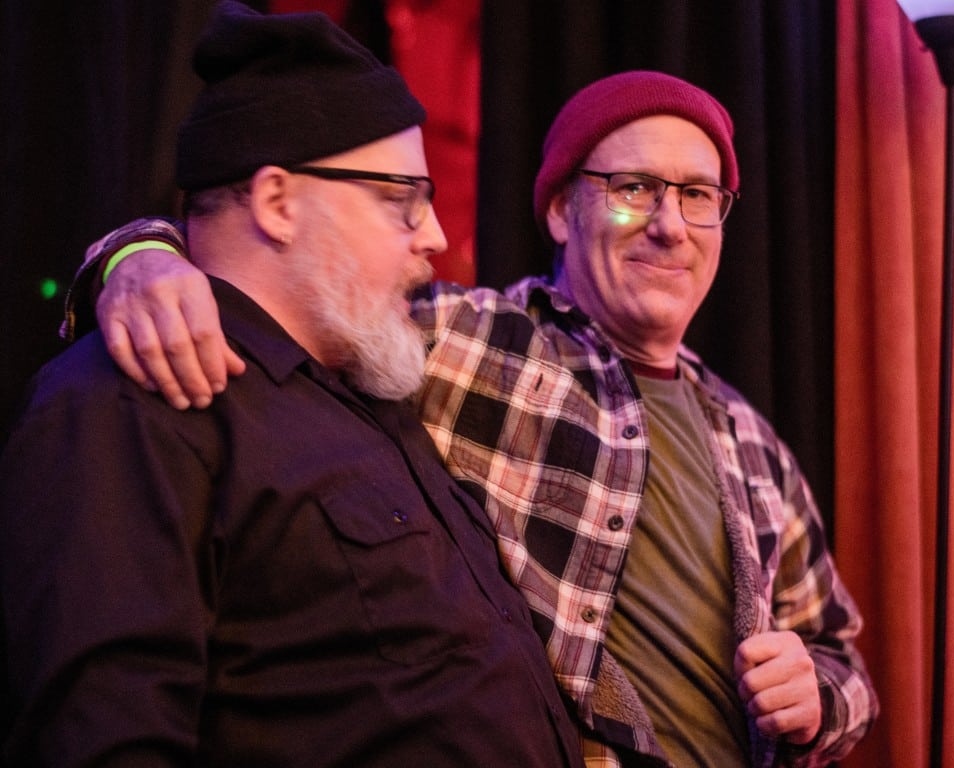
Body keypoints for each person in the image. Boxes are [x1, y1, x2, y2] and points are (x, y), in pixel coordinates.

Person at [64, 67, 879, 767]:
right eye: (634, 189)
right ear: (560, 211)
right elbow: (274, 276)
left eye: (697, 195)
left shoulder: (748, 437)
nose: (669, 224)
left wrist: (817, 693)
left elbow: (843, 656)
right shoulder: (468, 340)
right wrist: (138, 255)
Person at [0, 3, 587, 766]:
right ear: (278, 203)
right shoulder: (137, 398)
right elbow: (105, 732)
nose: (437, 237)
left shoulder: (375, 386)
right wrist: (131, 255)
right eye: (403, 200)